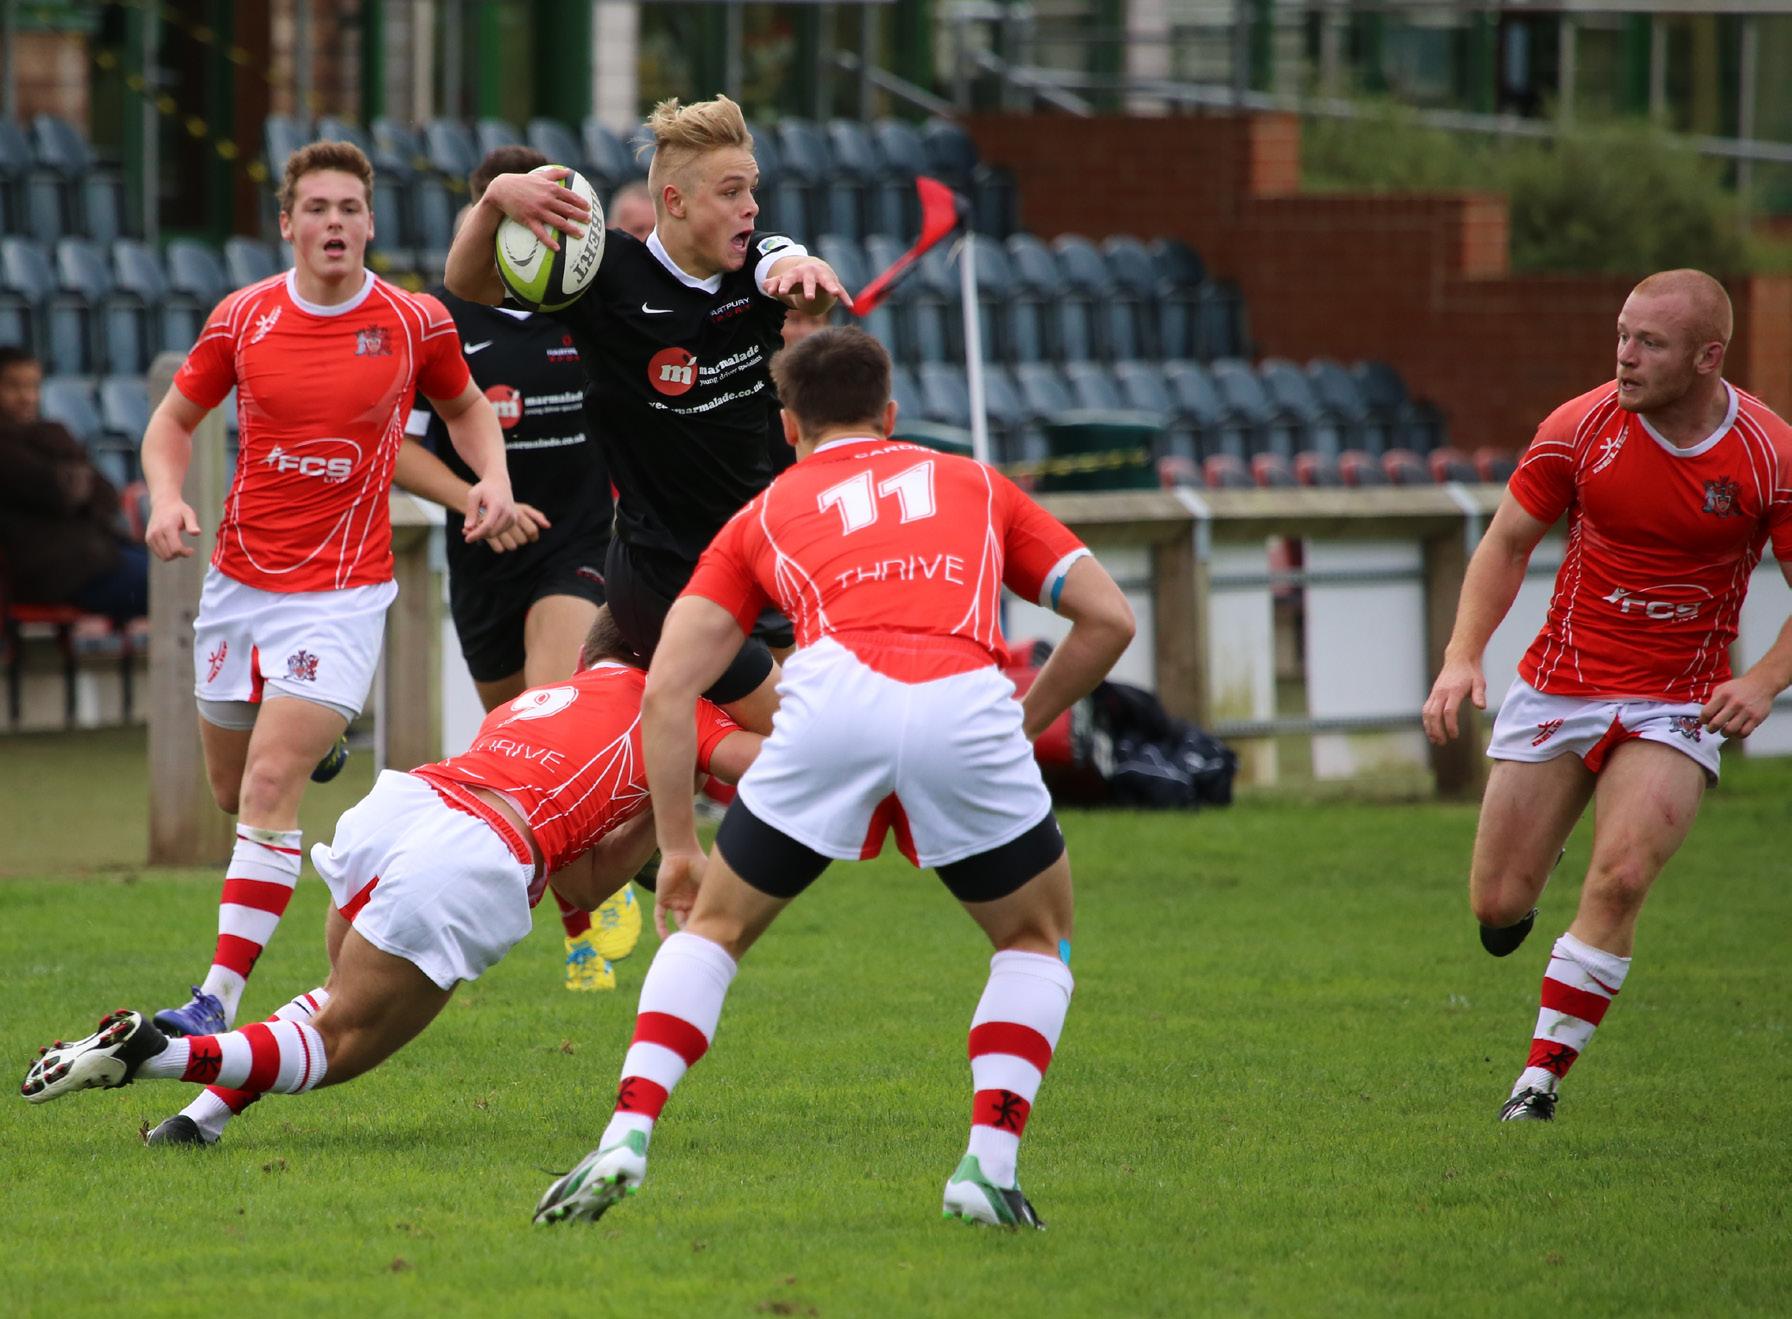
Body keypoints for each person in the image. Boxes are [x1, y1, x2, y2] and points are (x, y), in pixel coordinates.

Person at [531, 327, 1136, 1230]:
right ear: (891, 414)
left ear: (788, 425)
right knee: (1033, 941)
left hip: (831, 706)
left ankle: (626, 1133)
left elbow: (667, 689)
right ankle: (989, 1165)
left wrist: (680, 848)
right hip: (962, 701)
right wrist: (1020, 721)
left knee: (714, 932)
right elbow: (1109, 619)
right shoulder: (977, 484)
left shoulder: (767, 508)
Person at [20, 608, 763, 1147]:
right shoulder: (687, 712)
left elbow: (581, 886)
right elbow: (778, 758)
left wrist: (663, 788)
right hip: (473, 855)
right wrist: (696, 760)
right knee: (339, 1045)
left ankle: (196, 1122)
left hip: (403, 806)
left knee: (336, 995)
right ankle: (154, 1054)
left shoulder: (539, 699)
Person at [137, 140, 518, 1042]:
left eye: (350, 208)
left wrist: (492, 478)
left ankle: (214, 998)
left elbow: (466, 407)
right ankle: (321, 737)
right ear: (288, 224)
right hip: (238, 586)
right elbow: (172, 422)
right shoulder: (243, 318)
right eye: (317, 208)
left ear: (370, 223)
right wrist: (164, 496)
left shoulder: (414, 321)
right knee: (232, 790)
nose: (335, 222)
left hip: (340, 594)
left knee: (270, 784)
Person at [1421, 269, 1792, 1123]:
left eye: (1648, 343)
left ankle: (1538, 1081)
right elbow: (1506, 543)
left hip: (1678, 702)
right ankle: (1539, 855)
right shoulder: (1579, 427)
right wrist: (1461, 656)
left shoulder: (1769, 454)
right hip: (1563, 682)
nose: (1624, 355)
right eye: (1622, 334)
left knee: (1621, 877)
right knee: (1497, 906)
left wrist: (1763, 679)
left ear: (1707, 357)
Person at [445, 94, 849, 734]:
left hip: (754, 555)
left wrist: (810, 272)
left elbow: (797, 273)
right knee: (800, 739)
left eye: (752, 190)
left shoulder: (757, 264)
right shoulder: (605, 276)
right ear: (676, 202)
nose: (750, 206)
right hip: (664, 573)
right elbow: (467, 285)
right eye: (731, 192)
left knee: (687, 761)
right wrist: (495, 198)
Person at [394, 144, 639, 991]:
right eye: (515, 219)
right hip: (483, 558)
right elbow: (399, 450)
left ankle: (589, 926)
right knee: (518, 744)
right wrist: (474, 498)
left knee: (552, 703)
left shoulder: (586, 308)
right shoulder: (443, 322)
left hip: (580, 545)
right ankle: (587, 896)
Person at [0, 347, 148, 621]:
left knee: (186, 574)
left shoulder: (50, 434)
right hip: (58, 572)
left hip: (99, 556)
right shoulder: (21, 444)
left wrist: (67, 470)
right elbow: (54, 490)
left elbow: (106, 495)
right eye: (13, 386)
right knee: (172, 587)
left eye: (32, 386)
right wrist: (69, 465)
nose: (26, 397)